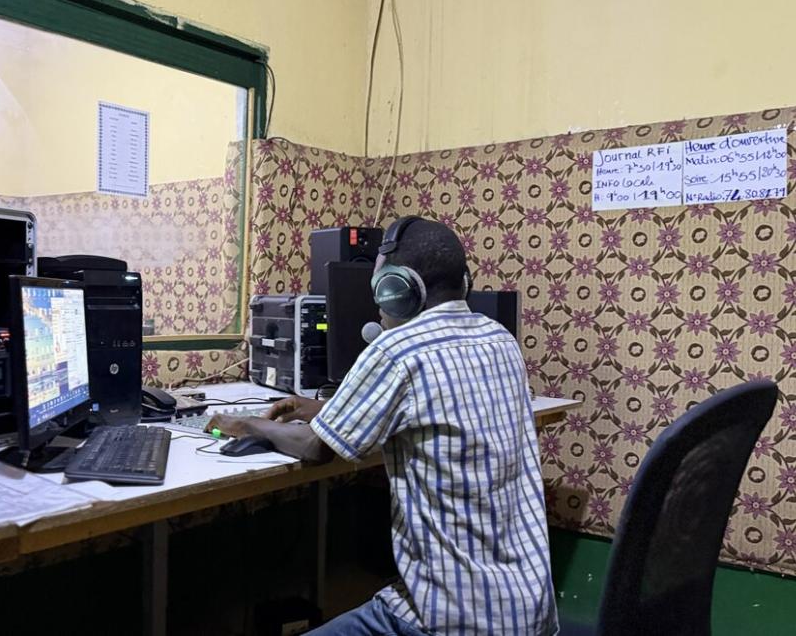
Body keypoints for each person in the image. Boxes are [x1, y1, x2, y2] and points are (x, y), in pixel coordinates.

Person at [208, 216, 557, 635]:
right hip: (528, 612)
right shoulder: (498, 338)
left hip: (450, 620)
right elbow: (433, 407)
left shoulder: (398, 349)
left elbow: (316, 448)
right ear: (464, 283)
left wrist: (248, 425)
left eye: (379, 288)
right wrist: (326, 408)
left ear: (399, 289)